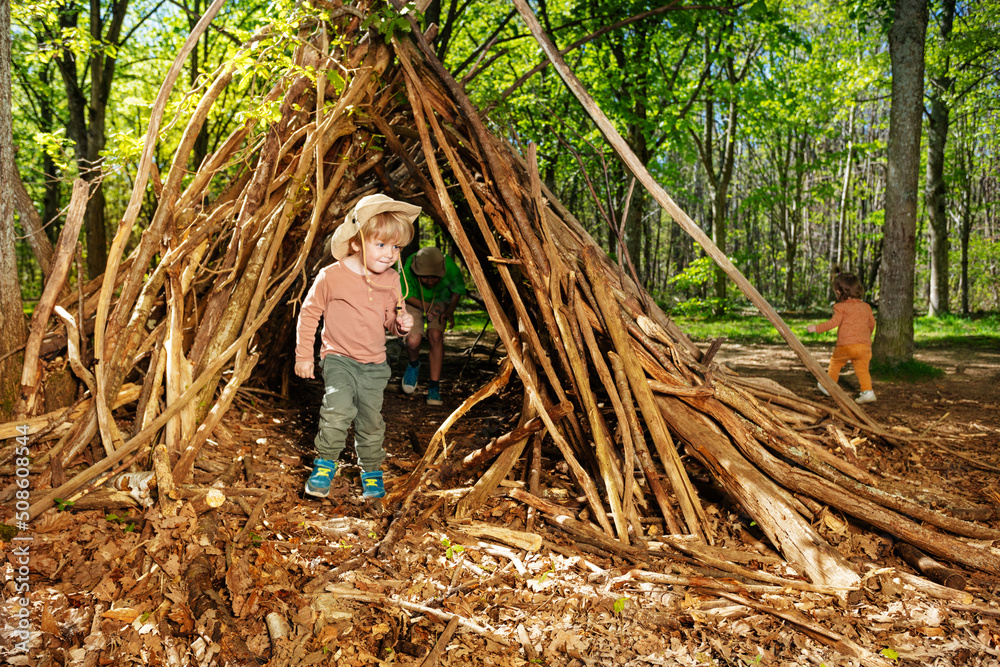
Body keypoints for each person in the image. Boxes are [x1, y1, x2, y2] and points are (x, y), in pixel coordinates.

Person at [294, 194, 420, 499]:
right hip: (339, 358)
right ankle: (325, 464)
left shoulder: (391, 279)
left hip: (375, 364)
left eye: (396, 247)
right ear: (355, 242)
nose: (391, 254)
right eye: (381, 245)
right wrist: (304, 356)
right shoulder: (331, 276)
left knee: (371, 420)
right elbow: (309, 313)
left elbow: (391, 318)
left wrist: (400, 326)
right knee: (338, 409)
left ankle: (371, 471)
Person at [399, 246, 466, 405]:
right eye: (424, 277)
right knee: (413, 340)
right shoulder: (409, 265)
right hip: (414, 300)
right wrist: (426, 306)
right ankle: (414, 364)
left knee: (435, 335)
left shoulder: (450, 267)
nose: (429, 282)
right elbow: (404, 293)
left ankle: (434, 387)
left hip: (440, 300)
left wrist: (449, 311)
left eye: (434, 277)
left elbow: (457, 291)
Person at [807, 272, 877, 404]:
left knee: (836, 363)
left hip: (846, 345)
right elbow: (872, 323)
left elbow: (833, 323)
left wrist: (816, 328)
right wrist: (867, 335)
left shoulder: (841, 307)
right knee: (863, 370)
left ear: (839, 292)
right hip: (864, 346)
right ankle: (868, 392)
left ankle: (828, 386)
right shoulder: (866, 307)